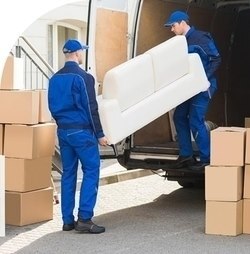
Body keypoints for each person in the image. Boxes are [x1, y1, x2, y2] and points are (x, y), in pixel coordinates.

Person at [48, 39, 108, 234]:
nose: (83, 54)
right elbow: (92, 109)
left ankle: (67, 221)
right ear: (76, 53)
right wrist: (99, 134)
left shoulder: (54, 78)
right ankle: (84, 218)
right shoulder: (84, 78)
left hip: (63, 131)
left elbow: (52, 107)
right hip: (81, 131)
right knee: (91, 170)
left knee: (69, 173)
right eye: (82, 51)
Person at [164, 10, 221, 170]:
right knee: (179, 116)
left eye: (173, 26)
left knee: (195, 120)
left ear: (183, 23)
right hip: (188, 88)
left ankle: (206, 159)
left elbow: (216, 59)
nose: (172, 29)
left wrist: (203, 79)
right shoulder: (180, 42)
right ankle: (186, 155)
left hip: (204, 87)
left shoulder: (201, 38)